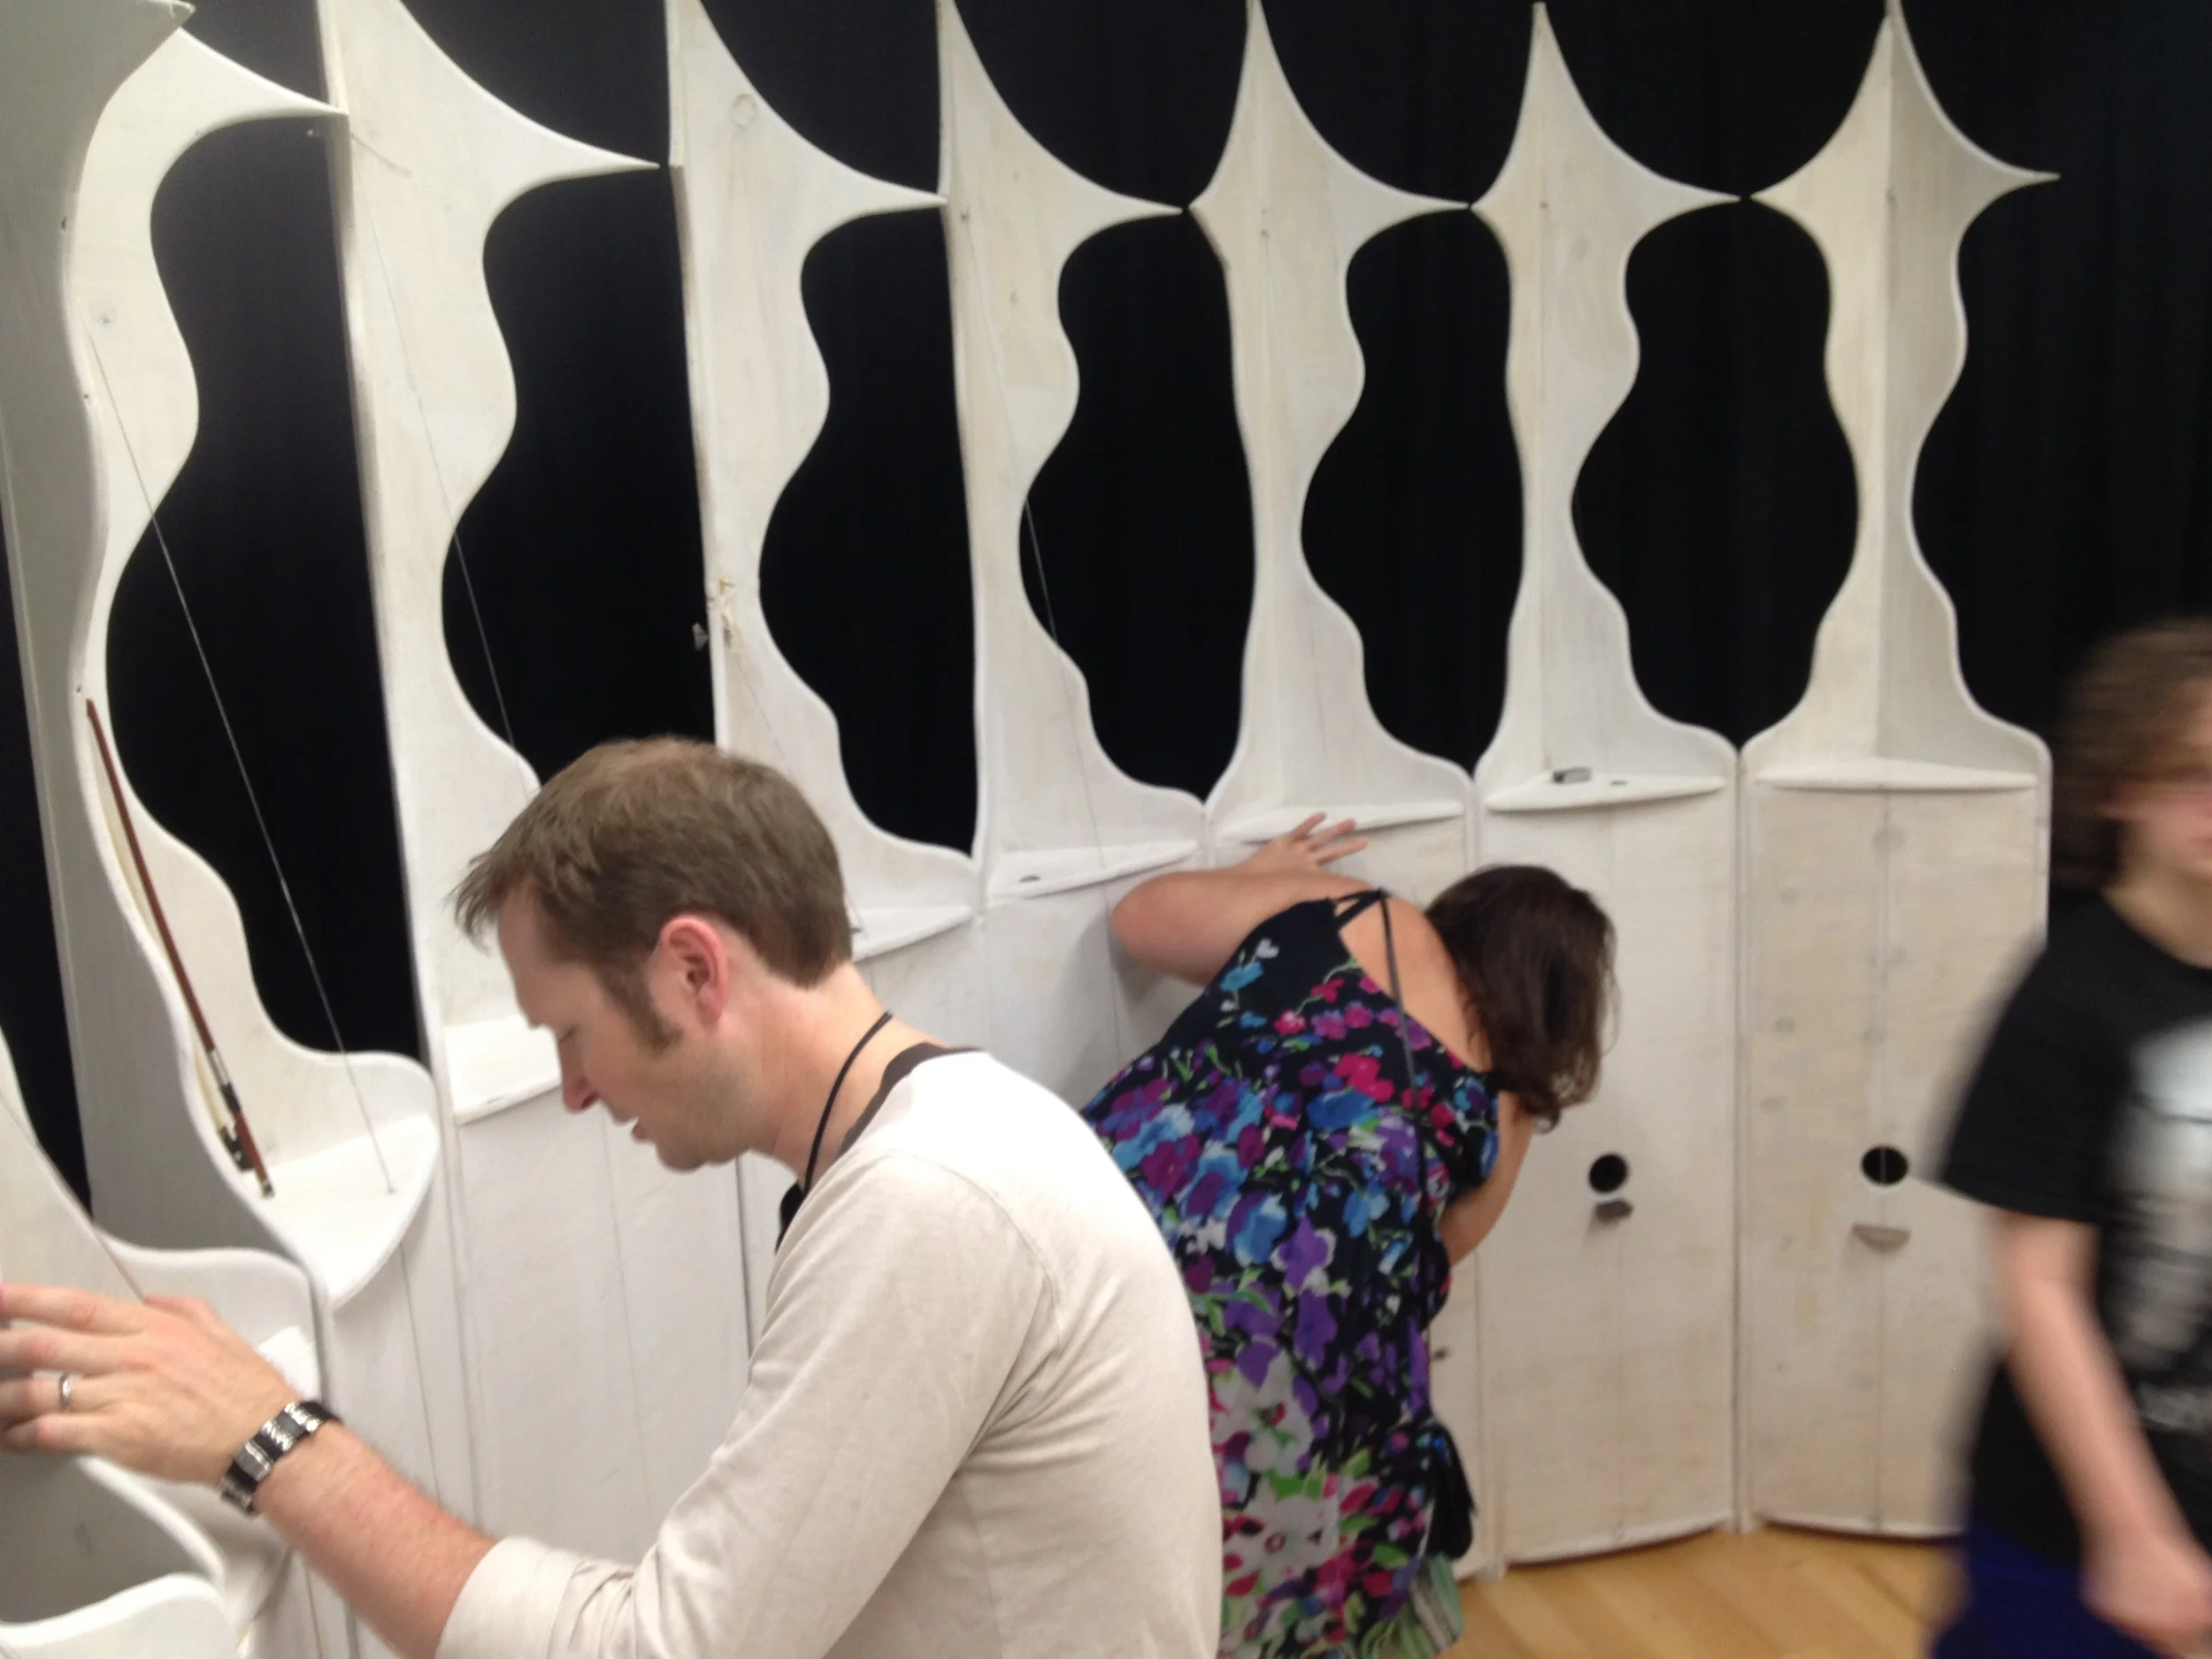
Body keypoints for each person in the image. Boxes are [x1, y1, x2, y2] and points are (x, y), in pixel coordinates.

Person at [0, 738, 1221, 1659]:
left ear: (692, 968)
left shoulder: (932, 1200)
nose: (577, 1089)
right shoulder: (952, 1138)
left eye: (572, 1032)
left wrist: (270, 1439)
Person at [1081, 816, 1614, 1657]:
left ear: (1465, 913)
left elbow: (1138, 920)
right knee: (1342, 1502)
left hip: (1098, 1221)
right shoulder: (1507, 1098)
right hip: (1271, 1361)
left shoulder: (1367, 915)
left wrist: (1257, 875)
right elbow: (1431, 1257)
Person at [1937, 618, 2212, 1658]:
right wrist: (2131, 1533)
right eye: (2190, 775)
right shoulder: (2068, 1005)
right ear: (2117, 790)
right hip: (2069, 1524)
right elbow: (2040, 1289)